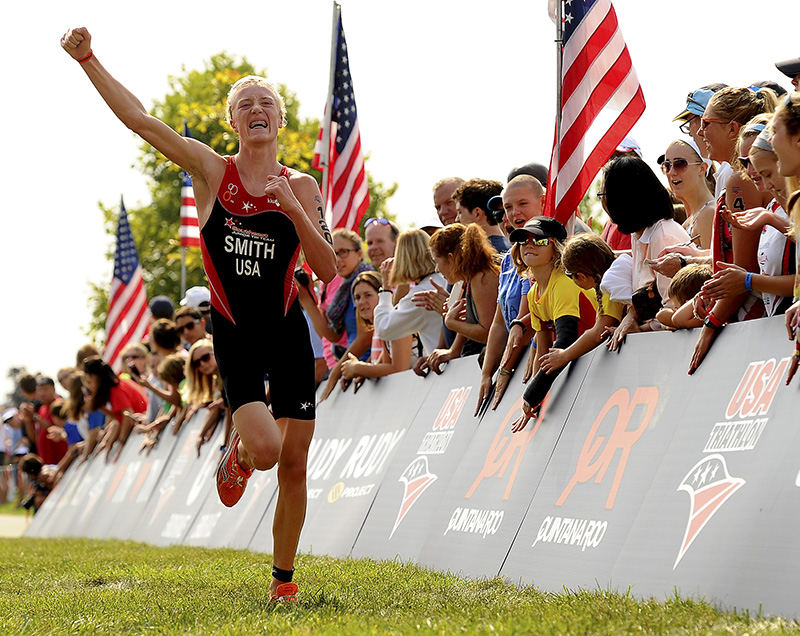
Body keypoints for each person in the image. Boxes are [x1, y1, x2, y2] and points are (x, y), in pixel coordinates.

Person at [62, 26, 335, 601]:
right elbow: (141, 121)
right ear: (233, 121)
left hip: (287, 330)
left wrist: (294, 210)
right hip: (235, 331)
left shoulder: (302, 185)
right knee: (265, 451)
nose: (257, 110)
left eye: (266, 104)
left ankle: (282, 585)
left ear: (279, 121)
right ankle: (236, 454)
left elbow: (328, 269)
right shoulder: (214, 172)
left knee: (293, 465)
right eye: (245, 105)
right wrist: (89, 60)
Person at [508, 218, 598, 433]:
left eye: (538, 240)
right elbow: (544, 348)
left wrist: (532, 395)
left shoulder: (564, 282)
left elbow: (565, 340)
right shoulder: (533, 293)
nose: (529, 244)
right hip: (583, 357)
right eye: (523, 240)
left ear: (556, 248)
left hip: (599, 354)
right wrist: (532, 401)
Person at [601, 156, 690, 351]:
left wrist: (639, 330)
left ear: (622, 198)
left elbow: (674, 310)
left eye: (603, 194)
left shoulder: (663, 236)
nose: (603, 203)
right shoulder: (639, 235)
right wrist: (630, 319)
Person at [537, 233, 623, 375]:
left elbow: (598, 333)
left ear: (581, 276)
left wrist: (564, 355)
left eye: (570, 275)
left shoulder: (608, 285)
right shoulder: (614, 269)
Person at [421, 223, 500, 372]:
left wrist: (450, 322)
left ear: (451, 258)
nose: (437, 269)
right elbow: (467, 321)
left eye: (437, 262)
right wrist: (454, 350)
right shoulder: (468, 277)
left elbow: (489, 333)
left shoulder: (481, 276)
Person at [372, 229, 447, 358]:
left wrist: (385, 290)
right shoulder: (445, 279)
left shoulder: (418, 297)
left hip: (447, 367)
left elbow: (384, 328)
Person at [338, 271, 416, 387]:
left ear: (382, 294)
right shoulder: (381, 327)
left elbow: (398, 369)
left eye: (368, 295)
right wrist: (362, 371)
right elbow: (382, 363)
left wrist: (359, 368)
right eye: (357, 298)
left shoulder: (396, 320)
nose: (362, 302)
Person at [83, 356, 147, 461]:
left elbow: (127, 417)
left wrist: (121, 444)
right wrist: (108, 442)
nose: (89, 387)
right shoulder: (115, 386)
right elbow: (118, 419)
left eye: (89, 382)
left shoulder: (116, 389)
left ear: (96, 377)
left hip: (142, 423)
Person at [659, 139, 715, 250]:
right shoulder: (690, 220)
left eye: (679, 164)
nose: (671, 172)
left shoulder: (708, 214)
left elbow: (714, 266)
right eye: (667, 165)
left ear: (702, 168)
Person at [452, 179, 509, 253]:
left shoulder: (478, 255)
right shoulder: (515, 248)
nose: (456, 219)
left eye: (460, 212)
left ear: (477, 213)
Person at [655, 264, 713, 330]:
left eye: (677, 307)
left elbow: (665, 316)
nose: (675, 309)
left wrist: (673, 324)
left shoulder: (702, 317)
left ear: (686, 303)